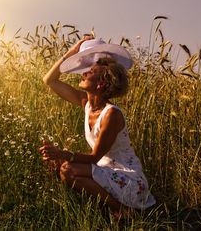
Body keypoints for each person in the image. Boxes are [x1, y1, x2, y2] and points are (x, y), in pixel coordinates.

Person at [39, 35, 155, 219]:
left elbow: (94, 158)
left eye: (90, 71)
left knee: (67, 168)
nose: (83, 73)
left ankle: (122, 210)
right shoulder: (86, 104)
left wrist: (62, 153)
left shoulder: (112, 114)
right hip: (107, 171)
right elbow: (49, 80)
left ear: (101, 83)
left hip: (128, 179)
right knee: (60, 167)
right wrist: (74, 50)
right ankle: (110, 208)